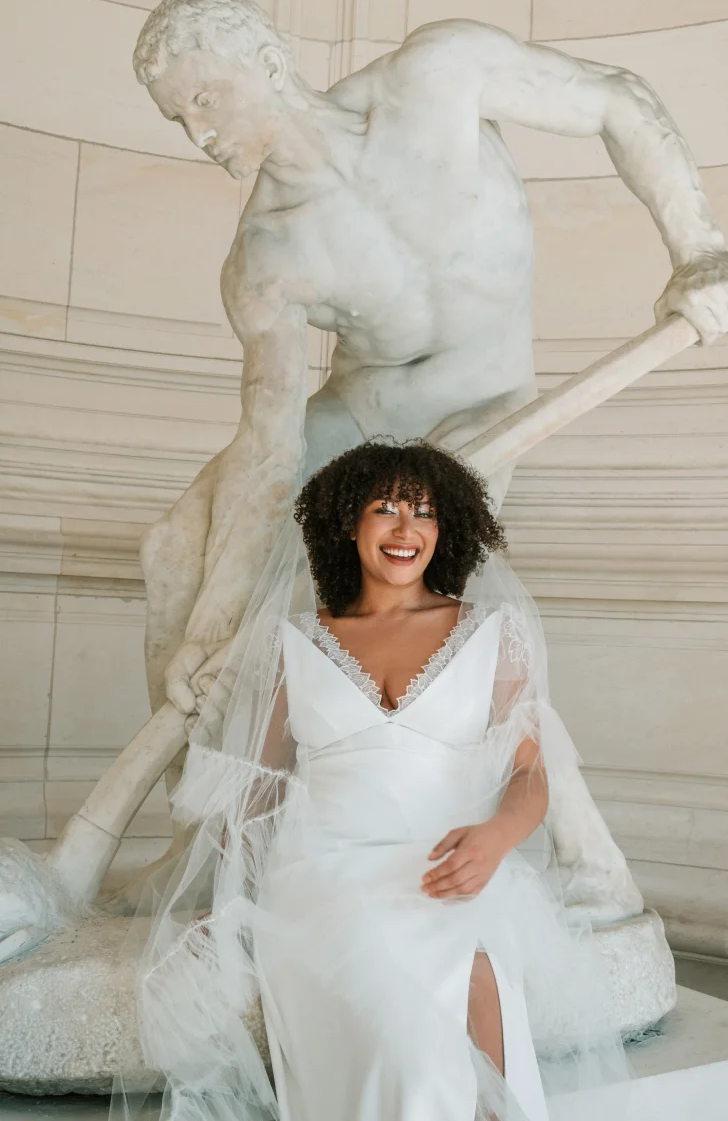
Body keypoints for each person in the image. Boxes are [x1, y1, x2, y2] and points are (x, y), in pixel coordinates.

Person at [123, 441, 629, 1121]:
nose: (405, 528)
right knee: (406, 1036)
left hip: (450, 865)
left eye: (424, 512)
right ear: (348, 523)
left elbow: (530, 771)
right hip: (323, 875)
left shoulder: (492, 633)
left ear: (446, 528)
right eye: (385, 508)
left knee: (480, 981)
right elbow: (260, 791)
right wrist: (226, 899)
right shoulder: (293, 643)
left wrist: (496, 838)